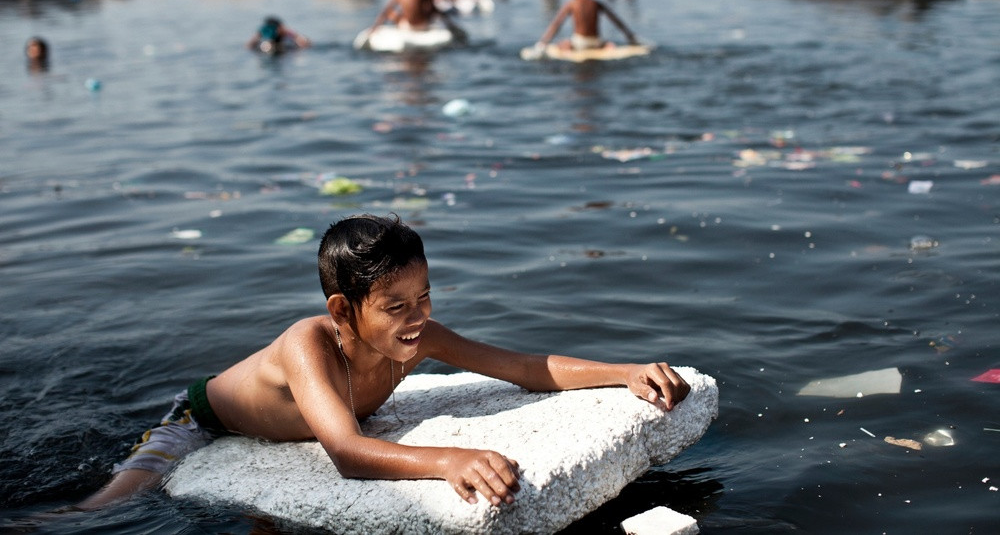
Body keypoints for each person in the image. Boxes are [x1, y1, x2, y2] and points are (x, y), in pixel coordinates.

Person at [75, 214, 689, 510]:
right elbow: (345, 452)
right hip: (196, 420)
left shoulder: (417, 336)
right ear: (343, 311)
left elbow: (523, 366)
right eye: (394, 305)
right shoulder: (308, 344)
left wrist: (625, 371)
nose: (416, 317)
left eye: (423, 296)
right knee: (104, 510)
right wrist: (448, 459)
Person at [534, 0, 640, 52]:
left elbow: (556, 25)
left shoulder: (571, 4)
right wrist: (630, 36)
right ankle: (607, 46)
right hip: (596, 42)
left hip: (580, 43)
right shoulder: (596, 2)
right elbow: (616, 20)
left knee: (563, 44)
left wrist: (543, 42)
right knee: (607, 43)